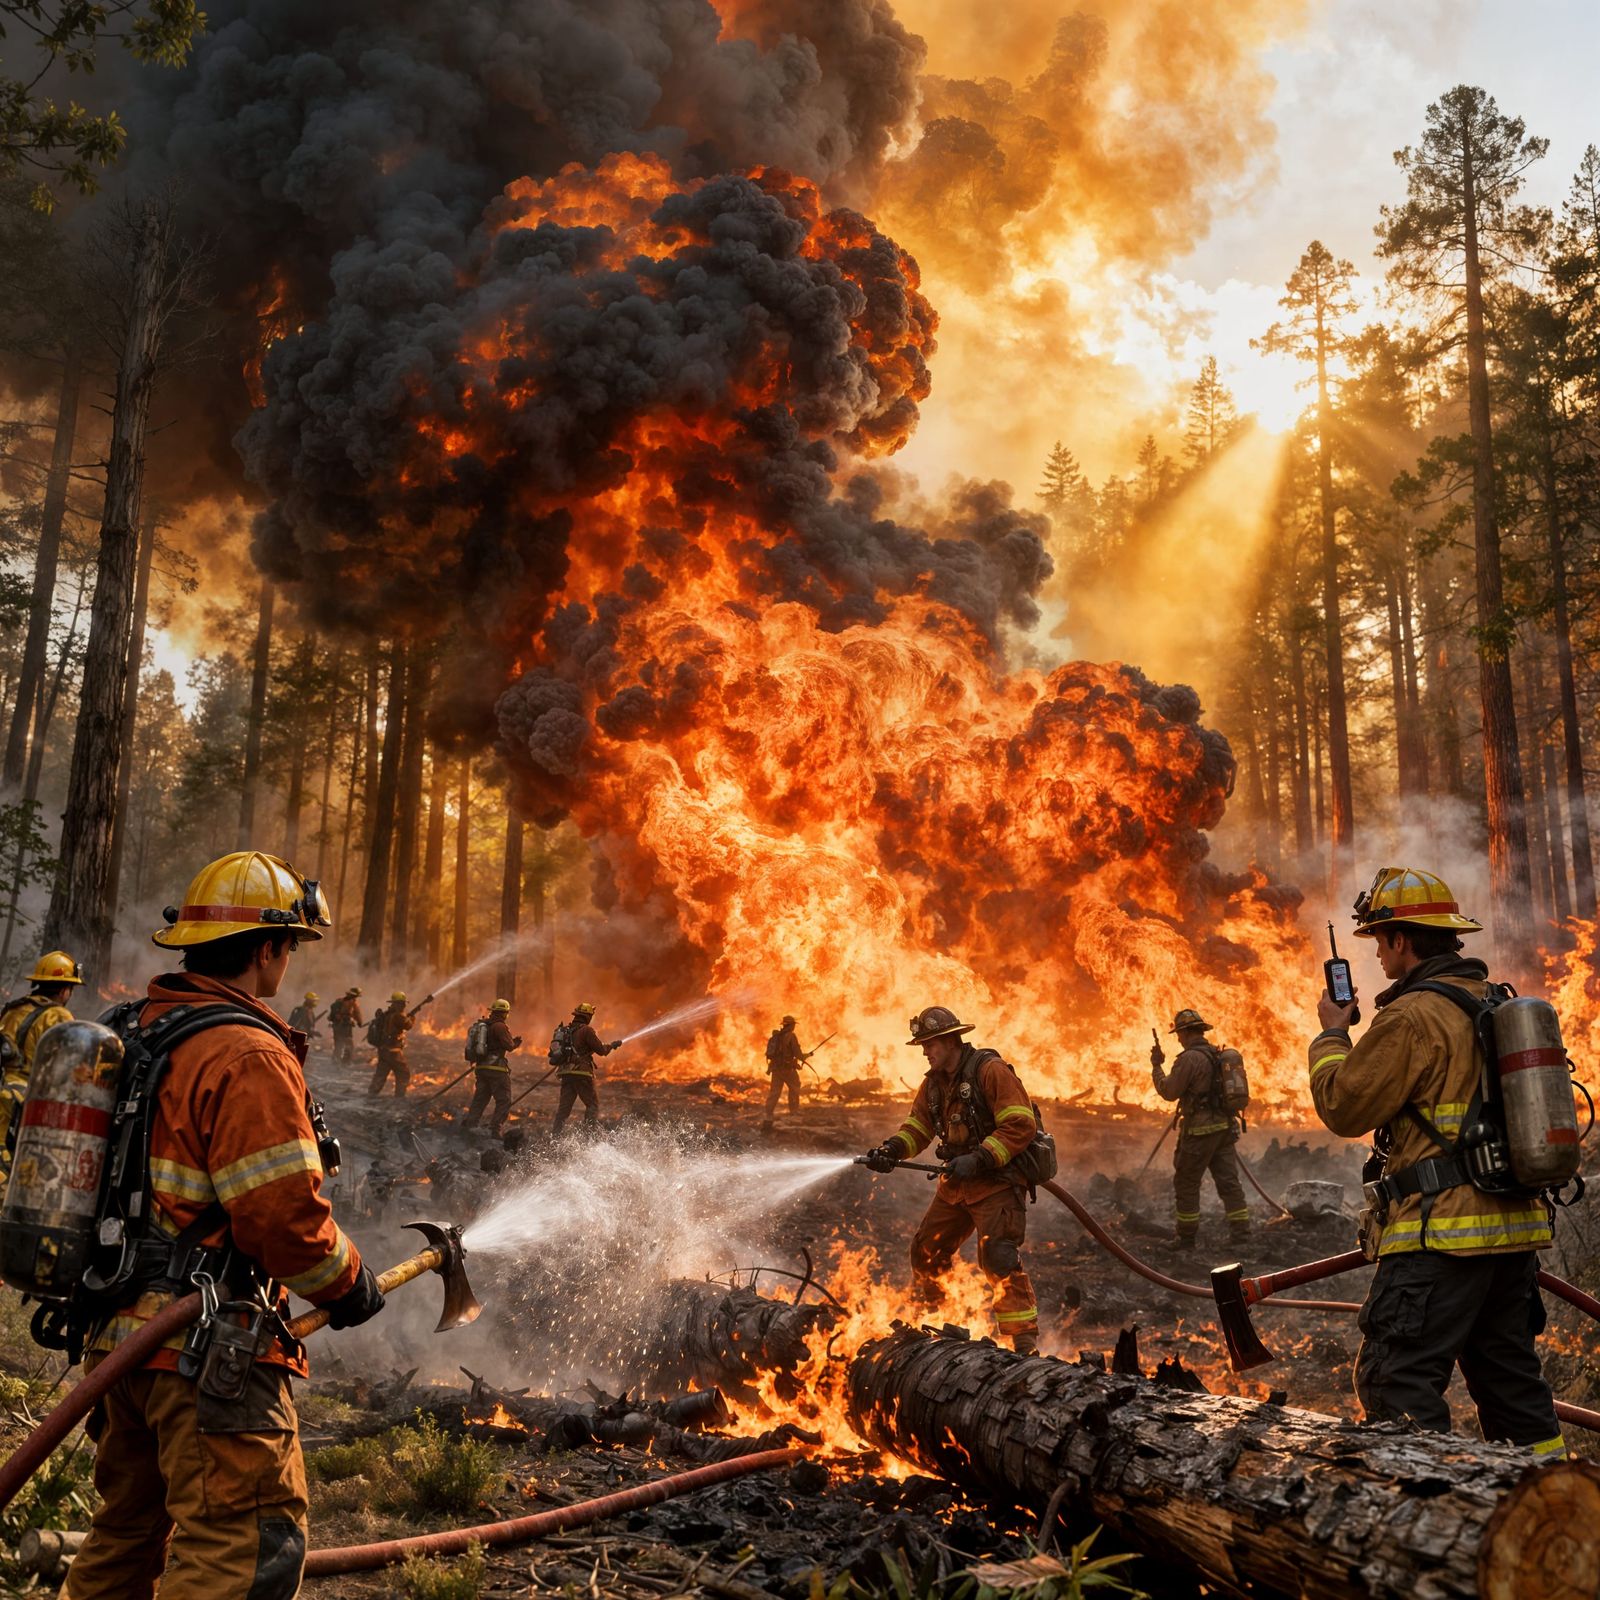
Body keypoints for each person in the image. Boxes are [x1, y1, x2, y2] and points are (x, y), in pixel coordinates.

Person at [65, 851, 385, 1600]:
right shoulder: (246, 1054)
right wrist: (350, 1285)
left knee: (126, 1538)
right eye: (290, 946)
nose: (289, 961)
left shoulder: (136, 1032)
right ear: (268, 948)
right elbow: (282, 1220)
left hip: (117, 1343)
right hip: (205, 1353)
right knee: (240, 1550)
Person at [1309, 865, 1565, 1458]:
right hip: (1513, 1231)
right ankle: (1553, 1506)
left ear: (1402, 939)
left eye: (1378, 940)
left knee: (1395, 1381)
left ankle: (1427, 1510)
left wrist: (1329, 1037)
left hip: (1440, 1236)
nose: (1376, 954)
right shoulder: (1493, 1000)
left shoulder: (1411, 1015)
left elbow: (1344, 1107)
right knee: (1511, 1387)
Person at [861, 1006, 1043, 1353]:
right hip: (957, 1186)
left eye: (929, 1044)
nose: (925, 1052)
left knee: (997, 1257)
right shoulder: (932, 1086)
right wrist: (891, 1150)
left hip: (997, 1183)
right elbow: (918, 1127)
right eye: (922, 1046)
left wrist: (980, 1158)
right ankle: (933, 1320)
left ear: (950, 1040)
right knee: (926, 1249)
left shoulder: (990, 1071)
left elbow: (1020, 1124)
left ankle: (1024, 1344)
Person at [1150, 1007, 1250, 1249]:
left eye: (1179, 1035)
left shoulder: (1189, 1059)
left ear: (1184, 1034)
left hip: (1199, 1133)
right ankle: (1242, 1236)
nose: (1179, 1039)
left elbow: (1169, 1091)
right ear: (1201, 1031)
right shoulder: (1217, 1054)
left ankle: (1186, 1238)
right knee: (1229, 1183)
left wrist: (1156, 1066)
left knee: (1186, 1182)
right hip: (1224, 1130)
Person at [0, 949, 83, 1182]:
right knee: (18, 1169)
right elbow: (70, 1067)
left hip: (3, 1091)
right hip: (29, 1100)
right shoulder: (58, 1016)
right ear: (65, 989)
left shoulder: (13, 1009)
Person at [552, 1001, 620, 1135]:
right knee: (592, 1105)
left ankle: (555, 1137)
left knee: (563, 1110)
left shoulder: (565, 1031)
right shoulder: (586, 1030)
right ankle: (589, 1136)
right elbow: (601, 1050)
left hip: (566, 1073)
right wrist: (612, 1045)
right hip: (581, 1073)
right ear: (587, 1017)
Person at [462, 998, 520, 1136]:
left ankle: (470, 1125)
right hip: (497, 1069)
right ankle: (494, 1129)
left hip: (481, 1069)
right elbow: (509, 1046)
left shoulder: (484, 1025)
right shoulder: (500, 1026)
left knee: (480, 1099)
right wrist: (516, 1042)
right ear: (504, 1013)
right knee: (504, 1100)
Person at [761, 1014, 807, 1132]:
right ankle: (794, 1112)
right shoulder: (791, 1036)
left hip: (776, 1069)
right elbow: (797, 1053)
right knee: (795, 1087)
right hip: (787, 1069)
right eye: (793, 1025)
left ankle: (768, 1113)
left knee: (775, 1092)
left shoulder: (776, 1037)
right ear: (791, 1026)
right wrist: (805, 1056)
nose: (794, 1027)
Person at [367, 991, 414, 1097]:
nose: (404, 1005)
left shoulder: (386, 1014)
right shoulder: (398, 1016)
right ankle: (399, 1098)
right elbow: (408, 1026)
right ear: (398, 1003)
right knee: (403, 1073)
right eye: (402, 1003)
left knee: (380, 1075)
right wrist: (412, 1017)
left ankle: (371, 1096)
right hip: (393, 1052)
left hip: (383, 1050)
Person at [328, 986, 363, 1062]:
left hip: (336, 1026)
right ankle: (346, 1062)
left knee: (338, 1044)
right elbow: (357, 1013)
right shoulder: (353, 1002)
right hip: (345, 1026)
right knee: (349, 1044)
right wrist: (360, 1022)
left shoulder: (339, 1001)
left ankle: (335, 1060)